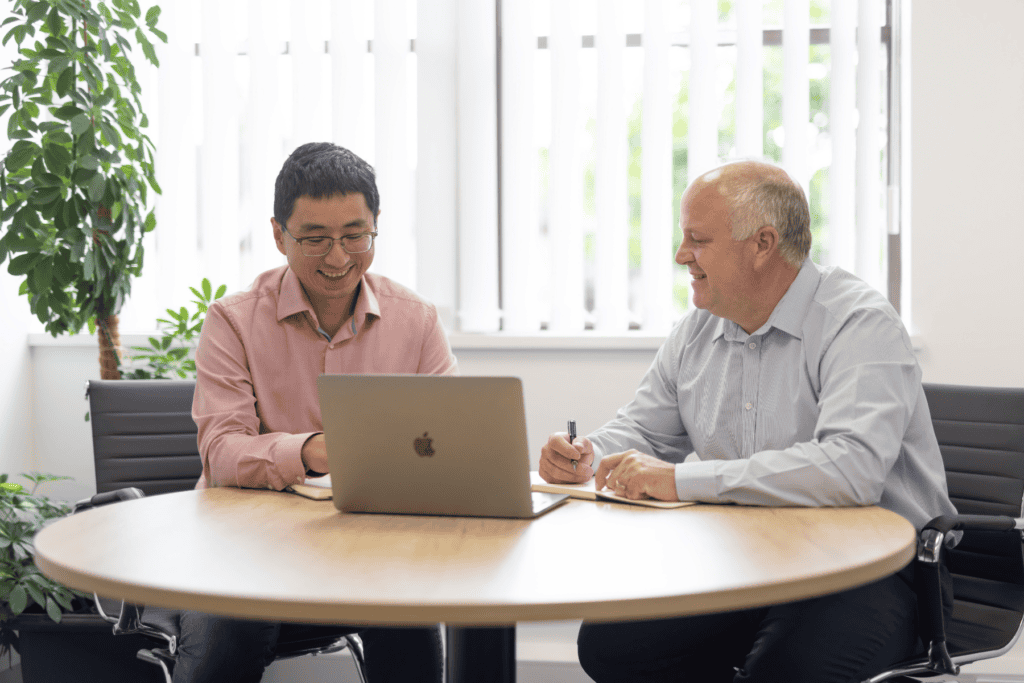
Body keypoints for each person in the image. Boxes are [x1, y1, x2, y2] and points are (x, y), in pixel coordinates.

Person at [539, 160, 956, 683]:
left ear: (762, 244)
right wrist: (587, 456)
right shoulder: (698, 331)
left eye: (698, 239)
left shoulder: (859, 324)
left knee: (785, 671)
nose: (680, 255)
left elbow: (851, 470)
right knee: (611, 645)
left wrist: (677, 480)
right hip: (746, 558)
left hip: (877, 570)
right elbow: (644, 432)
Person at [181, 142, 456, 683]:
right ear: (279, 234)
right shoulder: (232, 322)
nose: (338, 258)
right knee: (229, 632)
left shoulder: (416, 321)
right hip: (249, 549)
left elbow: (449, 440)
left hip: (373, 550)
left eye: (356, 235)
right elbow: (221, 451)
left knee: (415, 624)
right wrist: (310, 450)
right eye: (314, 239)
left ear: (376, 226)